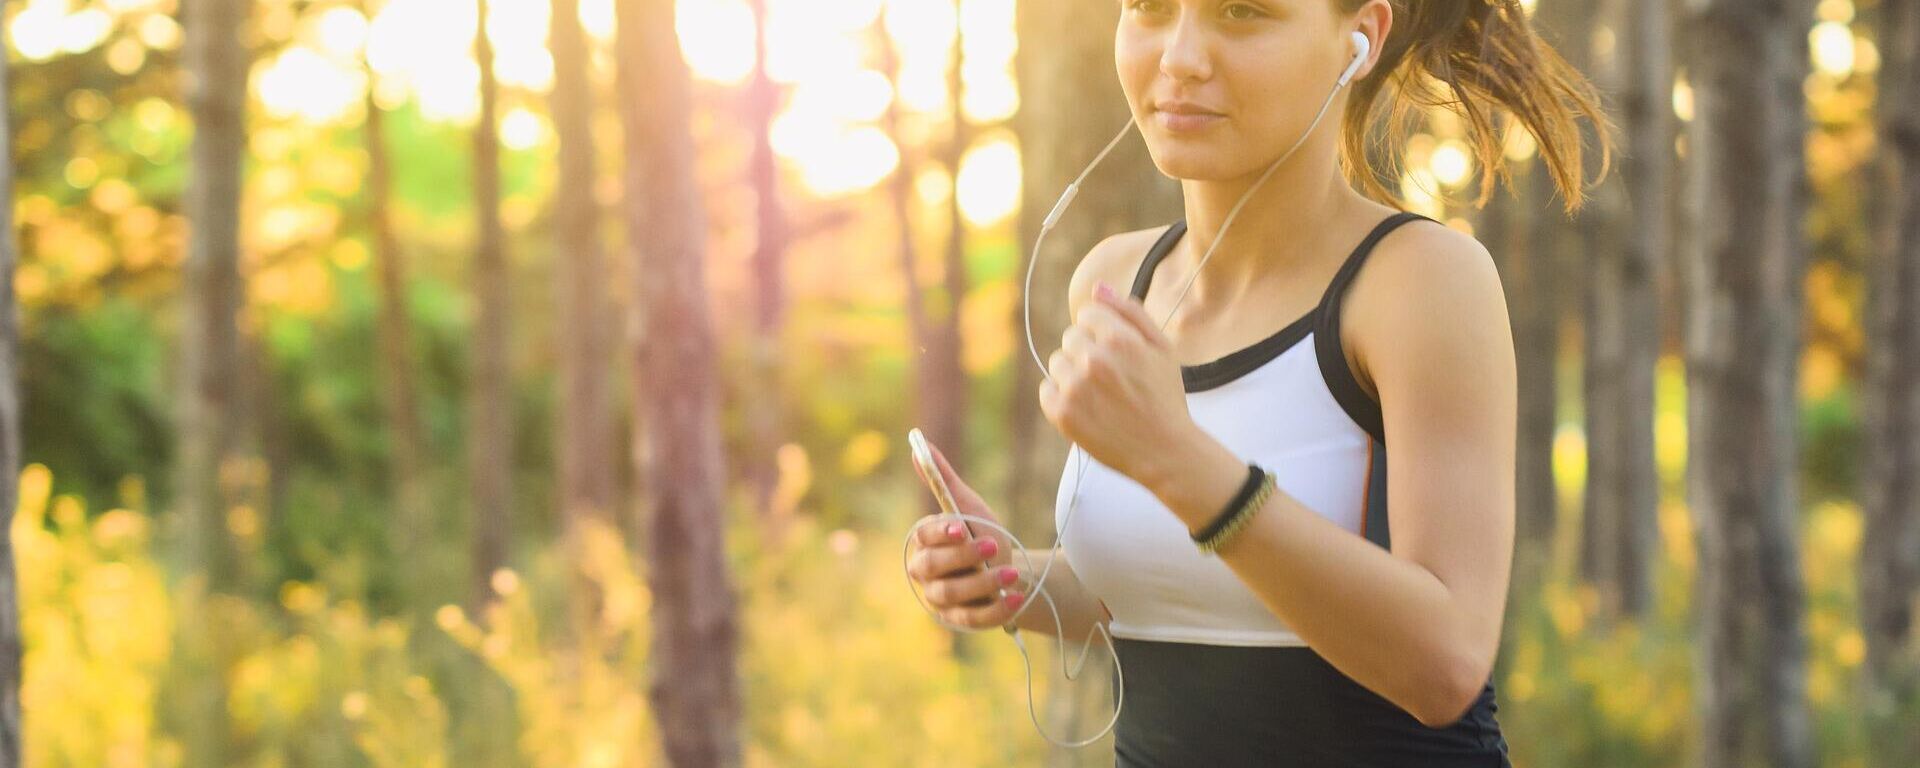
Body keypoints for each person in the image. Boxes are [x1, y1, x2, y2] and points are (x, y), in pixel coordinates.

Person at [906, 0, 1608, 764]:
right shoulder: (1113, 282)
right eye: (1148, 7)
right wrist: (1014, 581)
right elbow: (1179, 591)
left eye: (1241, 12)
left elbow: (1445, 665)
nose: (1179, 57)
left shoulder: (1419, 283)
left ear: (1361, 38)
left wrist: (1183, 464)